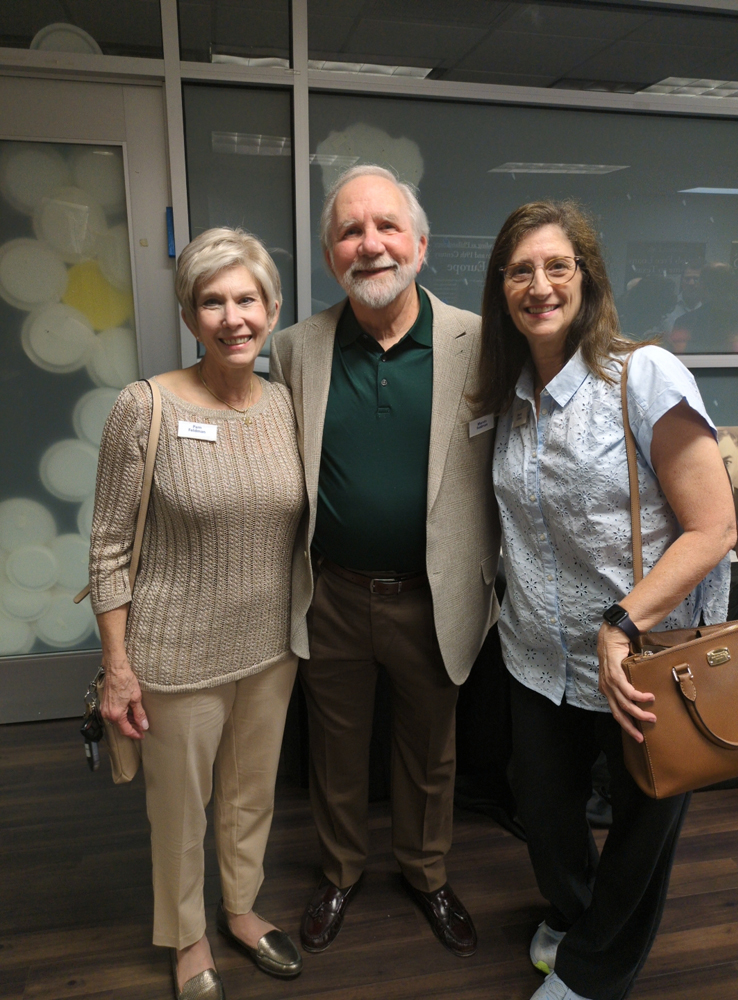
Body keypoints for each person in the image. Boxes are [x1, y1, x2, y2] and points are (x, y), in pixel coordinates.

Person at [476, 200, 735, 1000]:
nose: (540, 285)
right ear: (502, 289)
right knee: (547, 821)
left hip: (639, 659)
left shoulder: (643, 375)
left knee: (640, 829)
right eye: (520, 270)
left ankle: (593, 974)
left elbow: (713, 524)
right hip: (535, 654)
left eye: (558, 266)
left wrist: (623, 622)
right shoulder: (509, 394)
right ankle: (579, 913)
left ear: (587, 277)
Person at [270, 164, 501, 959]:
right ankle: (338, 872)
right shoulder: (295, 348)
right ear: (332, 254)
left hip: (434, 596)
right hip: (331, 592)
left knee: (430, 750)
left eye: (386, 226)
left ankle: (427, 873)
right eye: (349, 231)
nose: (369, 245)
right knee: (334, 749)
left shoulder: (479, 341)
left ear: (421, 244)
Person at [89, 228, 306, 1000]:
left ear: (272, 308)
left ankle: (242, 910)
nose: (232, 317)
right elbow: (109, 547)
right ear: (190, 315)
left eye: (247, 299)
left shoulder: (285, 405)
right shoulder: (142, 406)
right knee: (180, 811)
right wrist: (119, 670)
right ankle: (187, 936)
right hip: (175, 654)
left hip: (271, 648)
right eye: (212, 301)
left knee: (252, 796)